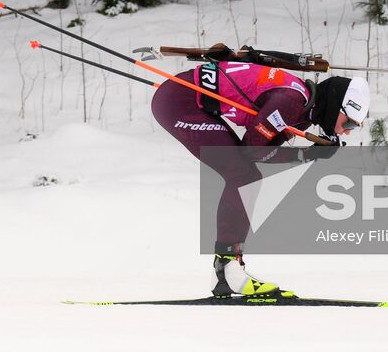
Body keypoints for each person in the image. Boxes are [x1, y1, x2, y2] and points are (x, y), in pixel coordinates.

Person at [150, 52, 371, 298]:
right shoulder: (291, 101)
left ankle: (226, 272)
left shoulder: (303, 111)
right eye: (349, 123)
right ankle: (228, 270)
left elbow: (265, 148)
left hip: (188, 100)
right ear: (336, 104)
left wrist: (309, 154)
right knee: (243, 177)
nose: (348, 132)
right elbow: (252, 150)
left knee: (247, 177)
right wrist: (306, 155)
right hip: (179, 103)